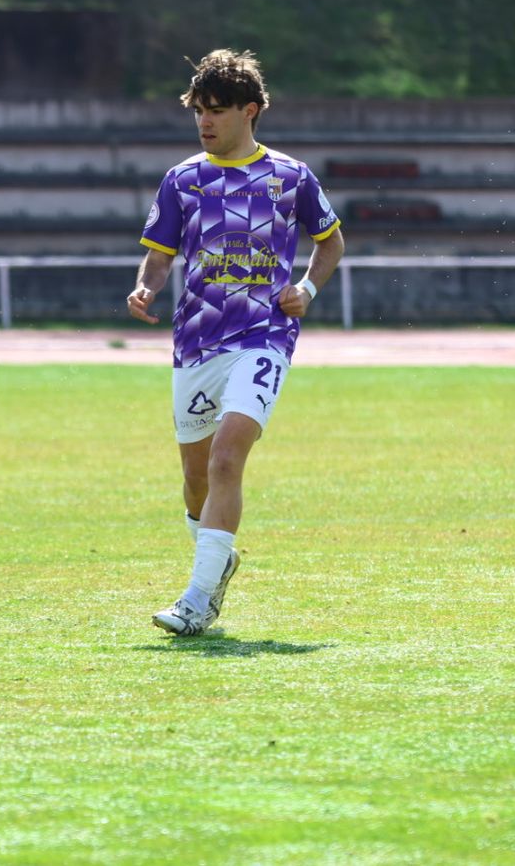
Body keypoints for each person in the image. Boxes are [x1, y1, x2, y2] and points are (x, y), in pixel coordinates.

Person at [127, 49, 344, 637]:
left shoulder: (292, 178)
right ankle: (217, 563)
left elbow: (330, 243)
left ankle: (198, 599)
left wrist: (307, 289)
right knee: (196, 476)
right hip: (196, 342)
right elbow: (159, 255)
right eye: (199, 111)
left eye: (217, 111)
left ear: (250, 111)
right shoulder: (182, 179)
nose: (205, 122)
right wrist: (145, 288)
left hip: (263, 337)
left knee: (227, 458)